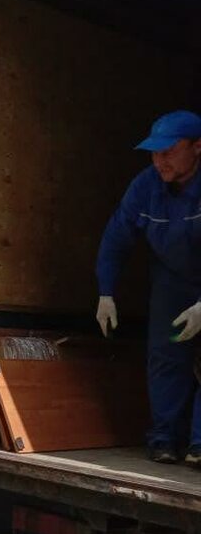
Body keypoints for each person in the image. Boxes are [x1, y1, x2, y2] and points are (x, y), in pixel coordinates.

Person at [95, 110, 201, 467]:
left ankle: (200, 444)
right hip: (173, 281)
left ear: (197, 147)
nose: (159, 161)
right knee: (166, 356)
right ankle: (165, 439)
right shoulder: (146, 186)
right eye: (154, 153)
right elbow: (116, 238)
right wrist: (106, 292)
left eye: (168, 151)